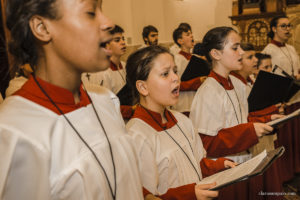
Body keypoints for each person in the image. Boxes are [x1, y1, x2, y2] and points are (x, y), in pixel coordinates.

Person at [0, 0, 143, 199]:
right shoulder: (15, 131)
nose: (109, 22)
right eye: (91, 12)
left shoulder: (106, 101)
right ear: (42, 28)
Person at [126, 45, 236, 200]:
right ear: (143, 87)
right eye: (165, 74)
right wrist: (189, 194)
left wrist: (218, 165)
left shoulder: (183, 121)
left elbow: (195, 164)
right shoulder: (135, 136)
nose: (176, 78)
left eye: (175, 71)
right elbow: (144, 196)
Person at [189, 27, 274, 199]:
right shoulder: (208, 92)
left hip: (242, 163)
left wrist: (268, 118)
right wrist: (249, 132)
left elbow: (242, 119)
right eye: (235, 48)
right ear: (216, 54)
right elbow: (207, 143)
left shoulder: (236, 83)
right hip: (223, 171)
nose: (241, 52)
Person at [81, 25, 133, 120]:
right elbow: (103, 106)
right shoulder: (102, 72)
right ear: (106, 45)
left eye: (123, 39)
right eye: (117, 40)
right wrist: (132, 110)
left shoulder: (126, 66)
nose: (123, 42)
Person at [172, 27, 205, 115]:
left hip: (196, 102)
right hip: (183, 104)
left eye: (191, 33)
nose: (191, 36)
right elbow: (175, 85)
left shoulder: (196, 58)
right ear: (180, 41)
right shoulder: (176, 59)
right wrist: (197, 81)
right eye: (187, 35)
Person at [262, 15, 300, 80]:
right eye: (283, 26)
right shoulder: (267, 51)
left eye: (288, 26)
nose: (287, 29)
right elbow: (267, 76)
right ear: (274, 29)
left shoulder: (291, 48)